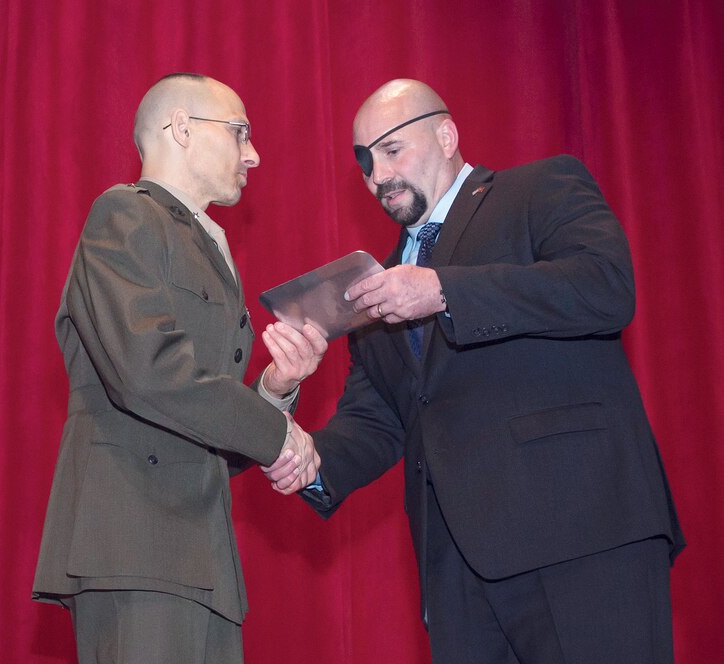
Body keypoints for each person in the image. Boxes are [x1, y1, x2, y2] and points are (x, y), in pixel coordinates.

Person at [263, 79, 685, 663]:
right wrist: (300, 458)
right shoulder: (373, 291)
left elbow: (605, 287)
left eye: (391, 149)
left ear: (446, 134)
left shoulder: (538, 189)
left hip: (581, 539)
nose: (378, 176)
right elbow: (379, 421)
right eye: (364, 163)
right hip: (457, 576)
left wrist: (443, 289)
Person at [33, 72, 327, 663]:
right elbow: (147, 374)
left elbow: (201, 426)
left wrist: (274, 391)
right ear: (182, 128)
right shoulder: (124, 216)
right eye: (240, 132)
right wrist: (279, 437)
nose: (254, 153)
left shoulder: (203, 242)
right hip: (135, 543)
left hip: (199, 551)